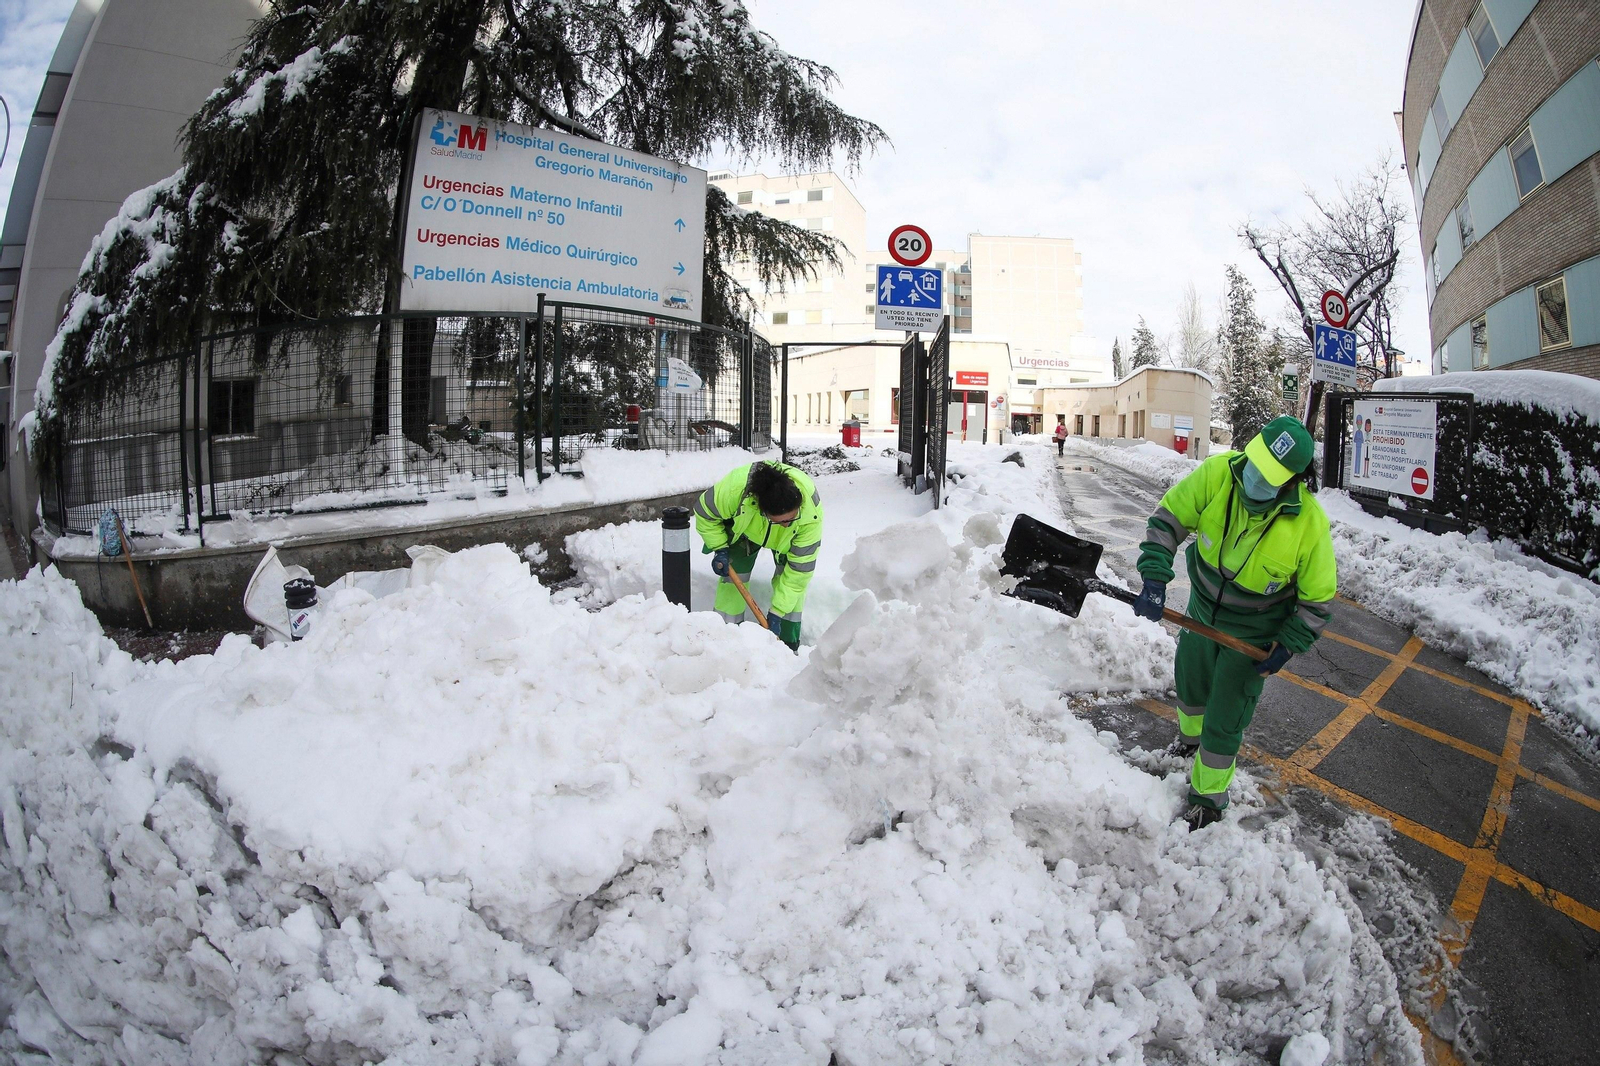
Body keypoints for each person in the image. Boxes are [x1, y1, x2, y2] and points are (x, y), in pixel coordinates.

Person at [1133, 416, 1337, 831]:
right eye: (1256, 463)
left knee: (1227, 713)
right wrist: (1155, 575)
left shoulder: (1309, 525)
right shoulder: (1217, 474)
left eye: (1270, 474)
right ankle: (1189, 742)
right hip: (1203, 607)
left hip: (1254, 629)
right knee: (1190, 681)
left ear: (1294, 481)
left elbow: (1317, 599)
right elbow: (1168, 519)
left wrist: (1290, 641)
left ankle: (1207, 798)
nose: (1256, 477)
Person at [693, 460, 823, 651]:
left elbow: (799, 574)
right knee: (732, 582)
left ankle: (787, 645)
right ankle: (727, 640)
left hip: (788, 540)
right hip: (747, 528)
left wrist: (778, 611)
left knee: (790, 587)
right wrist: (720, 547)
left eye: (791, 518)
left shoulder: (809, 516)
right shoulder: (734, 491)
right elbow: (704, 513)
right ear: (762, 511)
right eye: (781, 521)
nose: (786, 523)